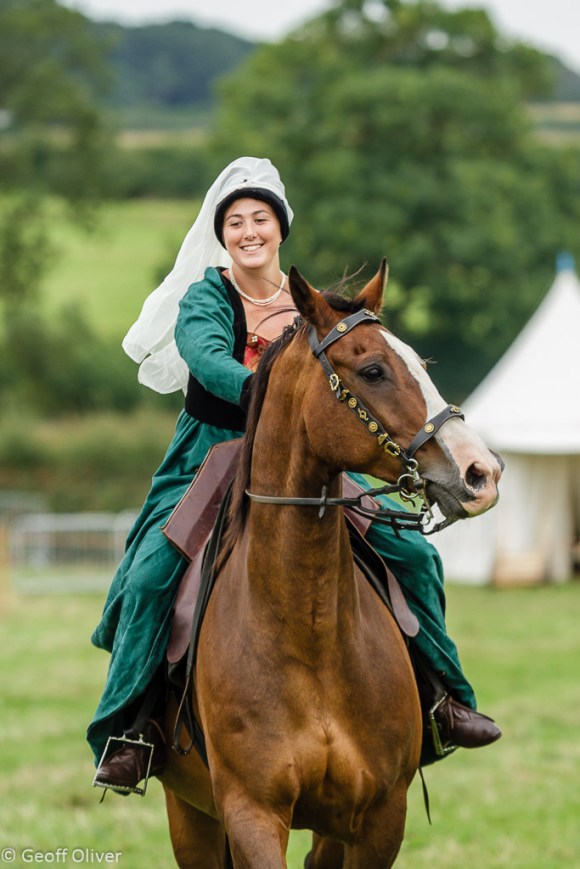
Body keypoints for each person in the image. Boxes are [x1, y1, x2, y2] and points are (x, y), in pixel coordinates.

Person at [88, 156, 500, 795]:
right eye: (235, 222)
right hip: (215, 451)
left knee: (414, 553)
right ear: (221, 234)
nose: (249, 231)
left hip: (308, 459)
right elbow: (205, 357)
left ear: (280, 229)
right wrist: (271, 394)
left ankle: (445, 702)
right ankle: (130, 730)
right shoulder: (207, 296)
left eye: (260, 219)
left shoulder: (320, 309)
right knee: (148, 577)